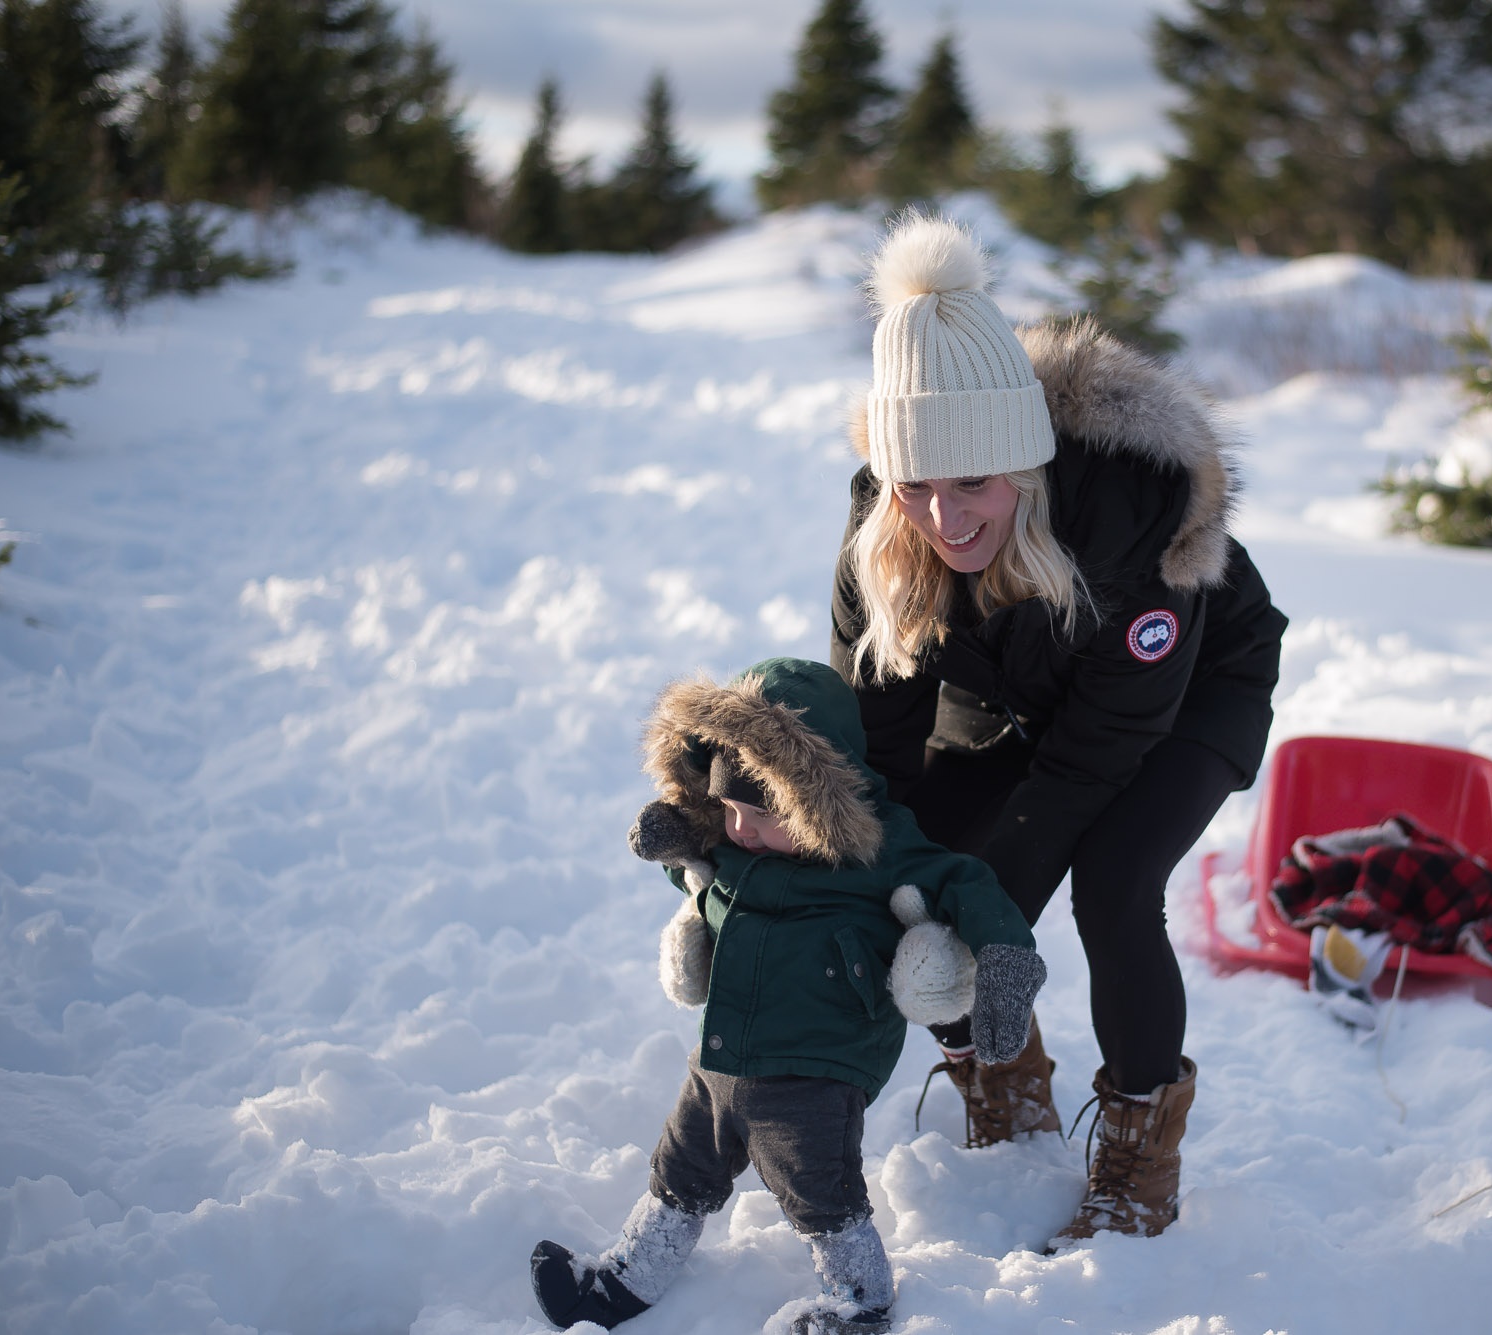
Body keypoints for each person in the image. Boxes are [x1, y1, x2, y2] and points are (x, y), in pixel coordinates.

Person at [828, 216, 1288, 1246]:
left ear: (1024, 469)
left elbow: (1093, 760)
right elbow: (876, 728)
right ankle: (1003, 1077)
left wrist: (991, 924)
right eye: (916, 488)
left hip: (1181, 692)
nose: (942, 518)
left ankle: (1138, 1152)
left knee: (1112, 885)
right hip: (1015, 679)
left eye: (972, 487)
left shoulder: (1130, 527)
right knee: (921, 881)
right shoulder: (889, 521)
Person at [528, 657, 1045, 1335]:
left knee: (822, 1194)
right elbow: (709, 890)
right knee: (677, 1175)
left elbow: (965, 883)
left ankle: (859, 1300)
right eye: (728, 810)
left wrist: (1005, 961)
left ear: (810, 798)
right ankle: (625, 1280)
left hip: (814, 1069)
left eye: (758, 814)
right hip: (719, 1059)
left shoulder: (880, 852)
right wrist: (683, 847)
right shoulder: (739, 849)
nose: (741, 829)